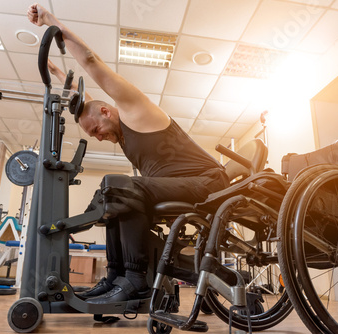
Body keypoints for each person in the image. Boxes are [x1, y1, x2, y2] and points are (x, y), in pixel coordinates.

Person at [27, 4, 229, 304]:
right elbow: (86, 102)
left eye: (96, 130)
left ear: (107, 111)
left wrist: (50, 21)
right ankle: (115, 277)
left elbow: (91, 61)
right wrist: (58, 74)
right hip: (186, 188)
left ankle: (135, 279)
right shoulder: (118, 130)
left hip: (210, 184)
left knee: (120, 186)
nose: (98, 137)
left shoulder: (135, 110)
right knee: (112, 194)